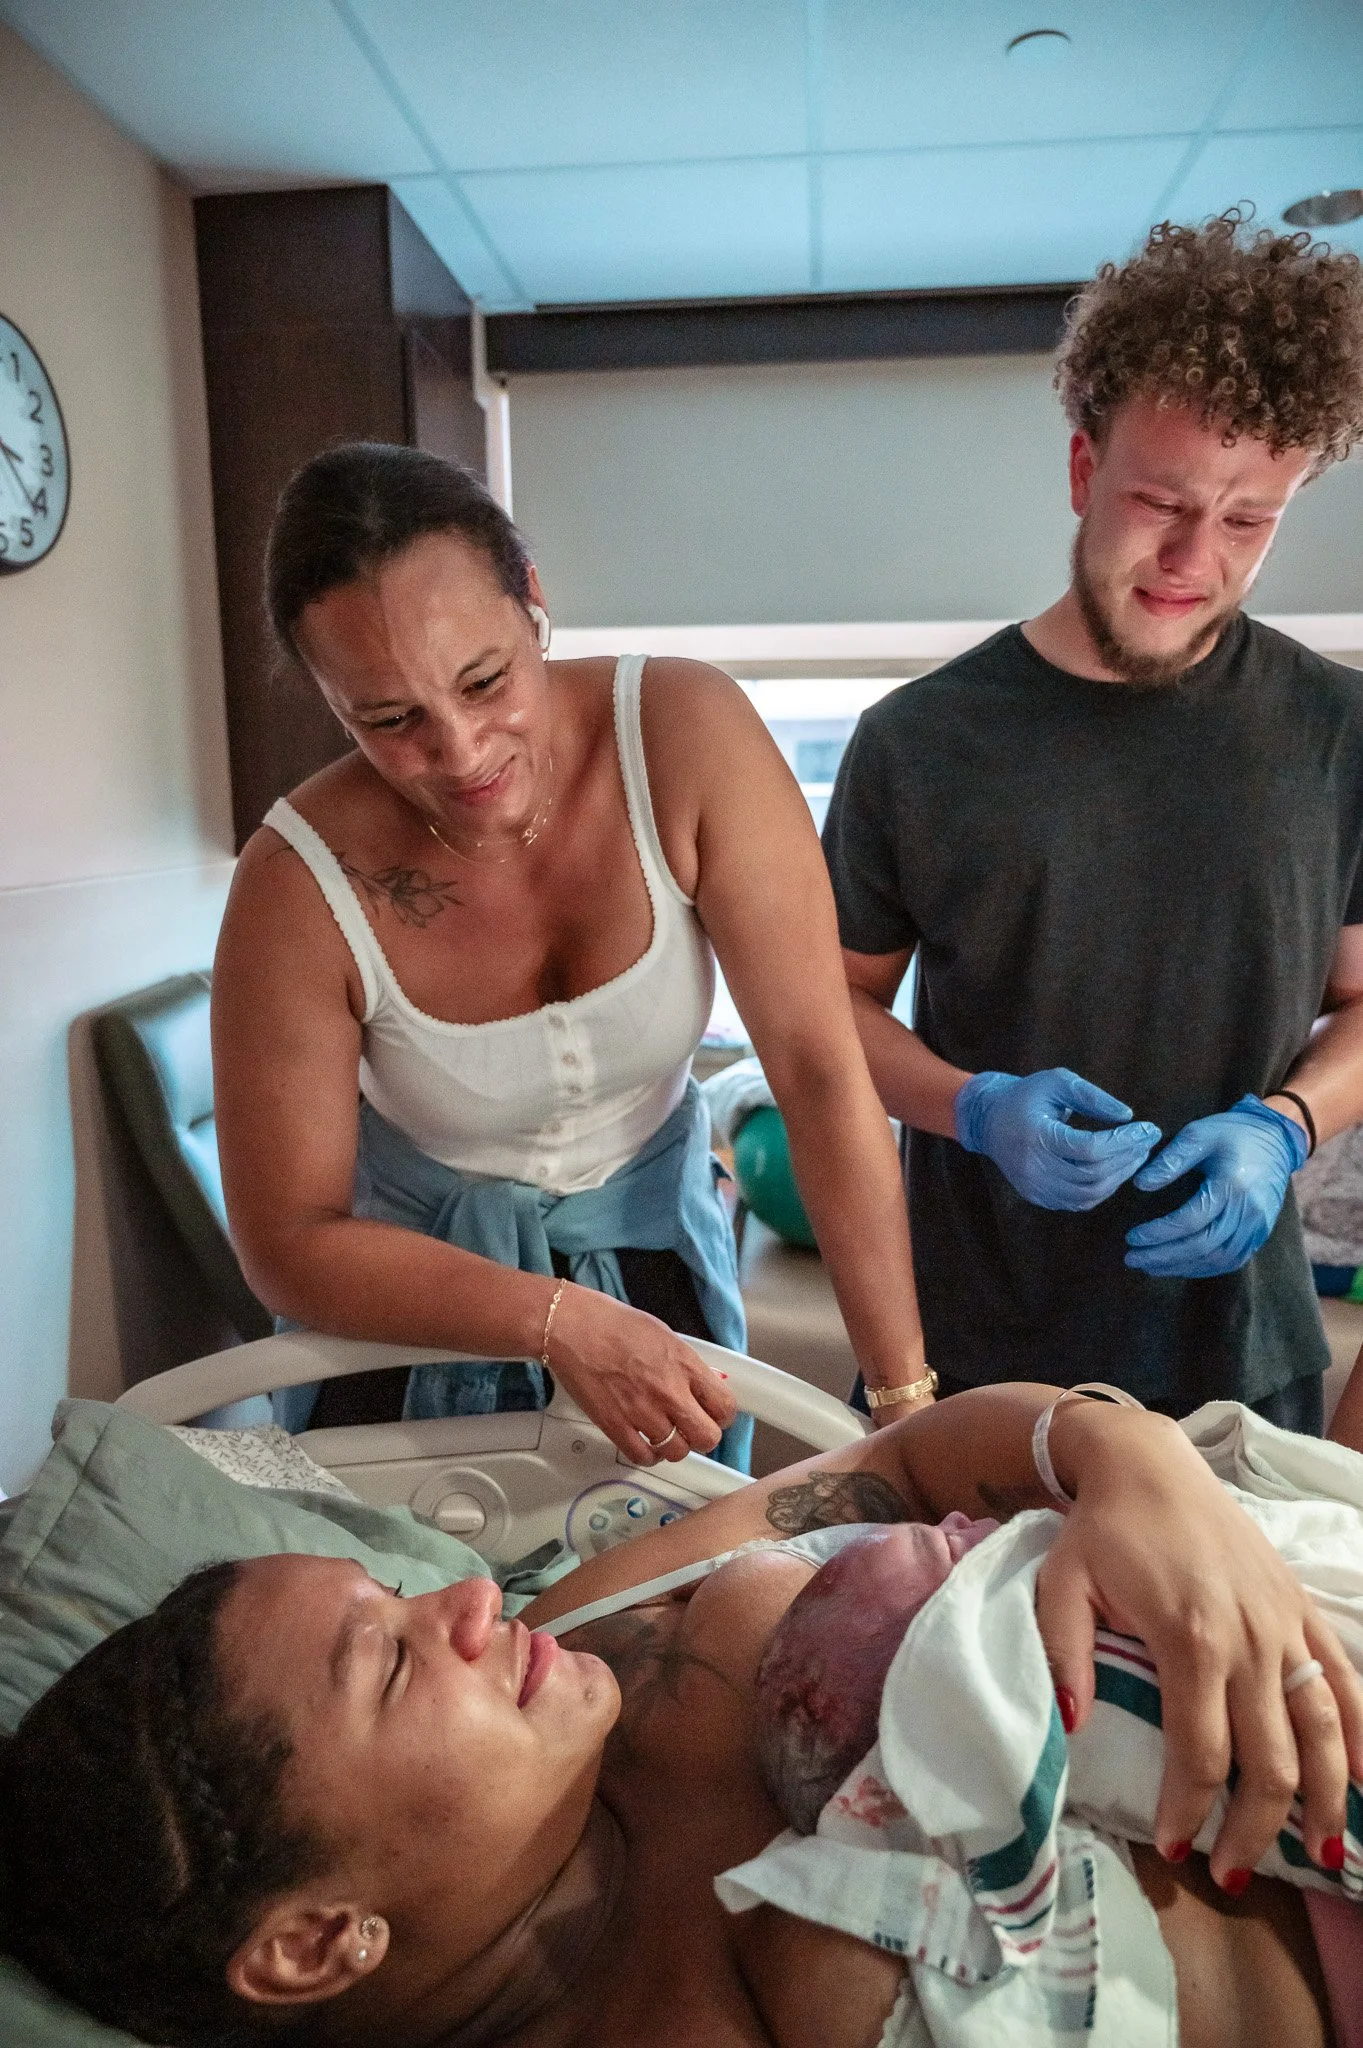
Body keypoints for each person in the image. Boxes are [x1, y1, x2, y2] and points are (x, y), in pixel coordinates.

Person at [4, 1385, 1362, 2047]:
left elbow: (897, 1456)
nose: (469, 1602)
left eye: (398, 1595)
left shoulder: (592, 1647)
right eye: (396, 1665)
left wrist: (1127, 1465)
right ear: (312, 1943)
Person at [211, 444, 930, 1469]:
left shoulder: (685, 736)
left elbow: (817, 1070)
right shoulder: (295, 885)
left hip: (659, 1272)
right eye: (390, 720)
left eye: (484, 678)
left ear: (532, 599)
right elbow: (288, 1242)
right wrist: (555, 1318)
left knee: (674, 1604)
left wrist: (901, 1399)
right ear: (331, 703)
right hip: (401, 1317)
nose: (460, 751)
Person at [824, 209, 1363, 1430]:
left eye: (1246, 520)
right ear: (1082, 470)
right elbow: (830, 1014)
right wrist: (969, 1106)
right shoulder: (919, 741)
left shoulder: (1337, 731)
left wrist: (1284, 1127)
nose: (1190, 557)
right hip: (970, 1354)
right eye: (1158, 501)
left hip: (1237, 1351)